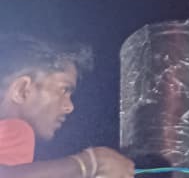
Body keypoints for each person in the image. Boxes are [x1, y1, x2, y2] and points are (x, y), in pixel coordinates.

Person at [0, 34, 134, 178]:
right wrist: (89, 163)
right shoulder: (16, 130)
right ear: (22, 90)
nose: (69, 107)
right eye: (64, 90)